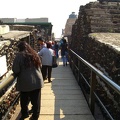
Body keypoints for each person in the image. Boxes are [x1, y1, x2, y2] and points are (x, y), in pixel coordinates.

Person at [12, 41, 44, 120]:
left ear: (20, 48)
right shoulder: (35, 54)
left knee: (24, 100)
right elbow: (40, 65)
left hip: (25, 82)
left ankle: (24, 114)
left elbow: (16, 70)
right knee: (36, 100)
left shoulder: (19, 56)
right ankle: (35, 116)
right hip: (37, 80)